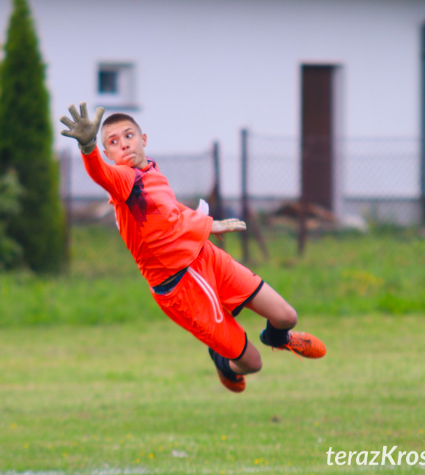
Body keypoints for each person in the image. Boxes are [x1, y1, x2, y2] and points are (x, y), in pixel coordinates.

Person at [60, 103, 325, 393]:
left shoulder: (150, 171)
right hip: (181, 288)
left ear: (143, 139)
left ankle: (277, 338)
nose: (123, 145)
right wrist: (88, 148)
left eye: (128, 136)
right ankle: (222, 362)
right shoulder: (124, 182)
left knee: (286, 316)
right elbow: (100, 174)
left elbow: (169, 213)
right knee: (252, 363)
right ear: (109, 155)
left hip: (205, 257)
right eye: (113, 142)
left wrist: (207, 222)